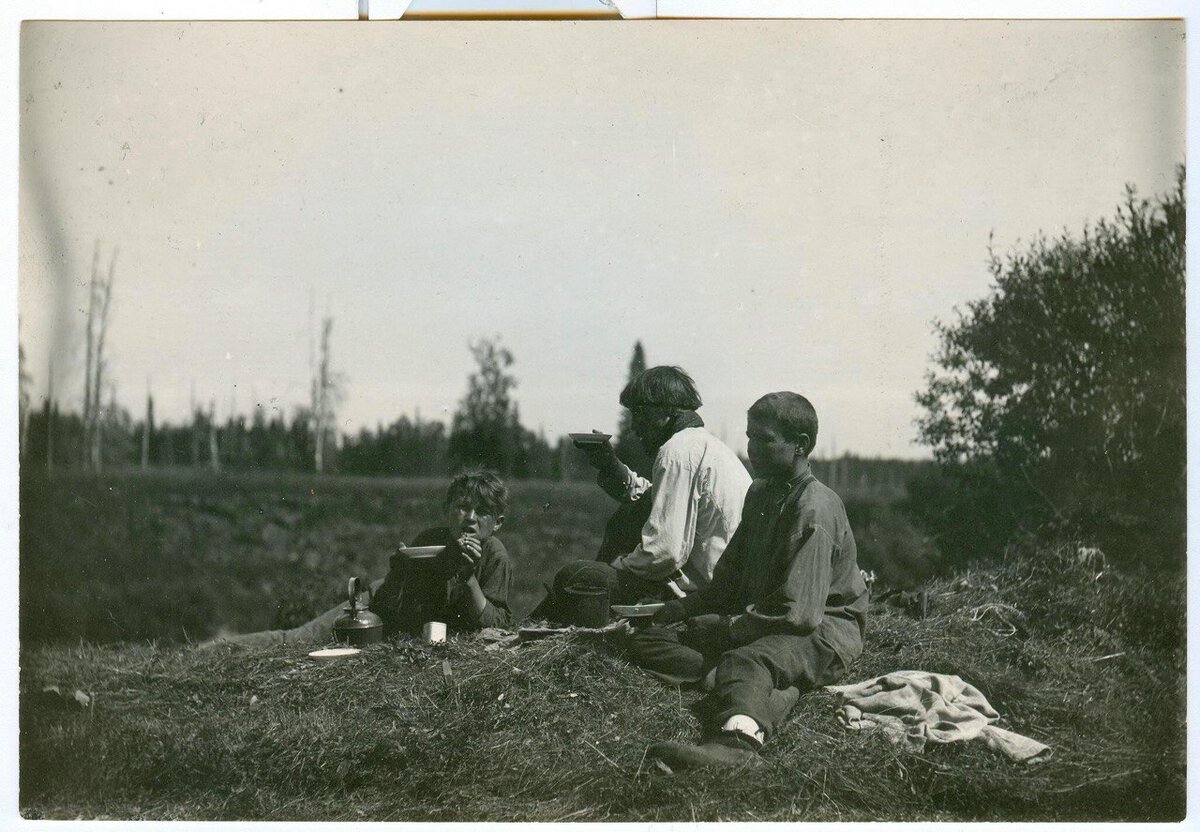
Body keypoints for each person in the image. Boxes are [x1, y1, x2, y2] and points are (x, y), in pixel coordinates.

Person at [627, 392, 868, 769]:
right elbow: (728, 581)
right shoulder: (760, 493)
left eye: (764, 438)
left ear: (800, 445)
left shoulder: (814, 509)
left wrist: (725, 629)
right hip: (768, 618)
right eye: (750, 436)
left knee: (749, 658)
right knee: (650, 639)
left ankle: (736, 744)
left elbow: (800, 614)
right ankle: (735, 682)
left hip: (823, 629)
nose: (751, 447)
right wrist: (680, 608)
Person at [535, 366, 752, 621]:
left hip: (704, 597)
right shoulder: (703, 445)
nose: (634, 428)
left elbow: (664, 553)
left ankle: (523, 632)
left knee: (576, 575)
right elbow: (657, 502)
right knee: (624, 522)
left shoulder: (678, 451)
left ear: (664, 411)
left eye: (639, 415)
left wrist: (615, 566)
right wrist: (611, 466)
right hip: (726, 588)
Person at [210, 470, 512, 646]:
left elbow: (495, 626)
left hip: (398, 630)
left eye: (482, 511)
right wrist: (400, 569)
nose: (470, 518)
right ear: (448, 510)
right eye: (462, 507)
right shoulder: (430, 541)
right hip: (374, 604)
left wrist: (469, 577)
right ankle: (214, 650)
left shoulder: (494, 554)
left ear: (496, 522)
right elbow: (395, 604)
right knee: (297, 640)